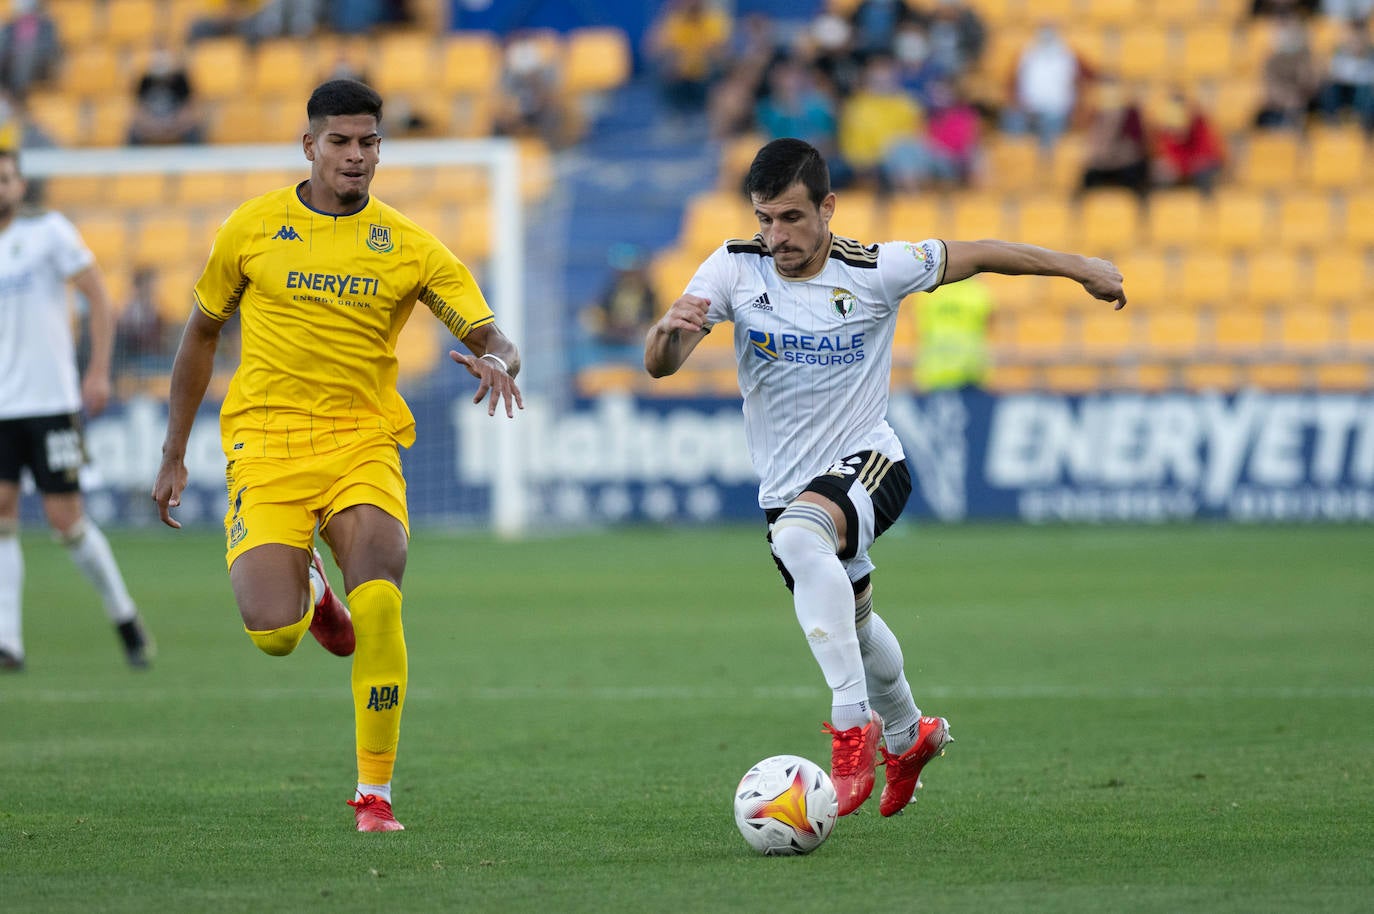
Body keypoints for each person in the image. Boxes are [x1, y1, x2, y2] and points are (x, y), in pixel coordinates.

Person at [643, 137, 1125, 818]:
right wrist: (669, 329)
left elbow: (983, 252)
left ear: (827, 208)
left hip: (872, 464)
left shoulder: (875, 269)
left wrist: (1080, 267)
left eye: (790, 218)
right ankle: (909, 733)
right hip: (787, 488)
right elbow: (661, 363)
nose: (775, 235)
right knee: (855, 624)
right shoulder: (732, 268)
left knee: (803, 540)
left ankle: (852, 727)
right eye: (764, 219)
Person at [150, 79, 524, 832]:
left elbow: (495, 337)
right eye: (341, 142)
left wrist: (501, 363)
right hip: (267, 446)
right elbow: (200, 334)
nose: (356, 157)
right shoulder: (251, 230)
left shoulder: (411, 247)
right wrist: (173, 452)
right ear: (310, 146)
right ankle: (315, 596)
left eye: (369, 143)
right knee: (274, 635)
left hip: (363, 441)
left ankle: (374, 795)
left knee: (382, 593)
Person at [0, 149, 153, 672]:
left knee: (67, 522)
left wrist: (98, 370)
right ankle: (9, 642)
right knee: (2, 516)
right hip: (1, 406)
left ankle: (125, 616)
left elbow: (98, 296)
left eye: (7, 179)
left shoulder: (49, 234)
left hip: (48, 401)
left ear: (20, 186)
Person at [127, 47, 205, 146]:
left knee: (194, 130)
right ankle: (133, 160)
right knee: (133, 131)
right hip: (151, 124)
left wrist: (175, 125)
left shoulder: (181, 80)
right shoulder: (145, 81)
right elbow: (138, 111)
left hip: (176, 124)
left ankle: (195, 160)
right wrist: (151, 125)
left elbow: (190, 109)